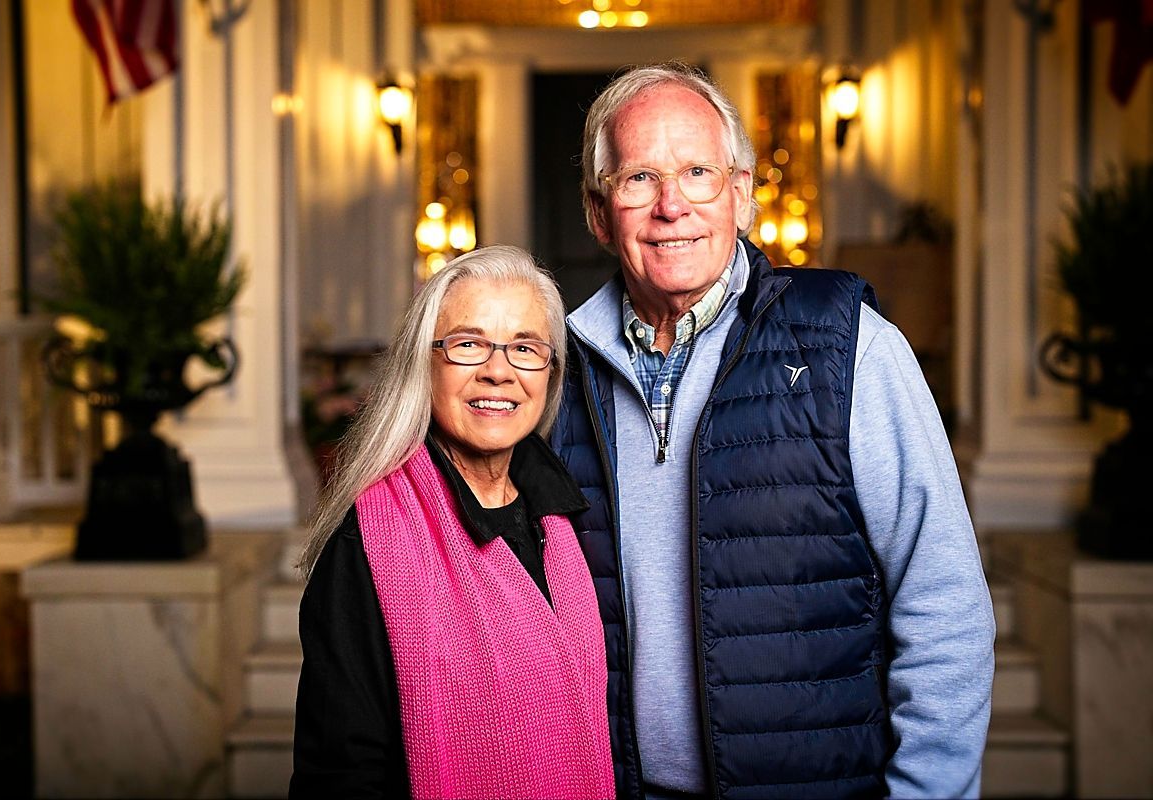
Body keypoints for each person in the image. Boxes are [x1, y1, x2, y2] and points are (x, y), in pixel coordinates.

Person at [549, 62, 995, 799]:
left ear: (742, 195)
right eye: (638, 179)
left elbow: (942, 598)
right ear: (600, 214)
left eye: (697, 171)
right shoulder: (556, 373)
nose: (671, 206)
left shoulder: (845, 343)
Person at [290, 245, 615, 799]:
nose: (498, 371)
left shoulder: (567, 520)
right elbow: (340, 773)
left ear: (550, 374)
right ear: (425, 363)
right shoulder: (366, 543)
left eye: (525, 348)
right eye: (469, 344)